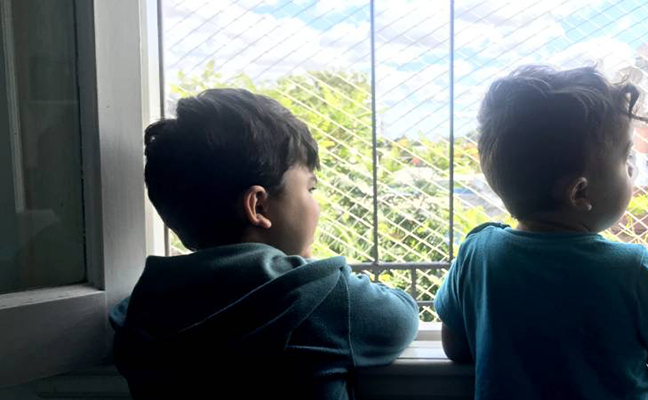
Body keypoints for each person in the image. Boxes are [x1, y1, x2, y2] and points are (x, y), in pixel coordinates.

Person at [109, 88, 419, 399]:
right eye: (309, 190)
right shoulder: (313, 292)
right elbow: (401, 317)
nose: (315, 205)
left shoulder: (146, 306)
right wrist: (308, 263)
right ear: (258, 206)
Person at [434, 66, 648, 400]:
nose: (631, 170)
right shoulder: (632, 269)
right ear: (580, 192)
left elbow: (456, 348)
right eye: (625, 158)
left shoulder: (477, 252)